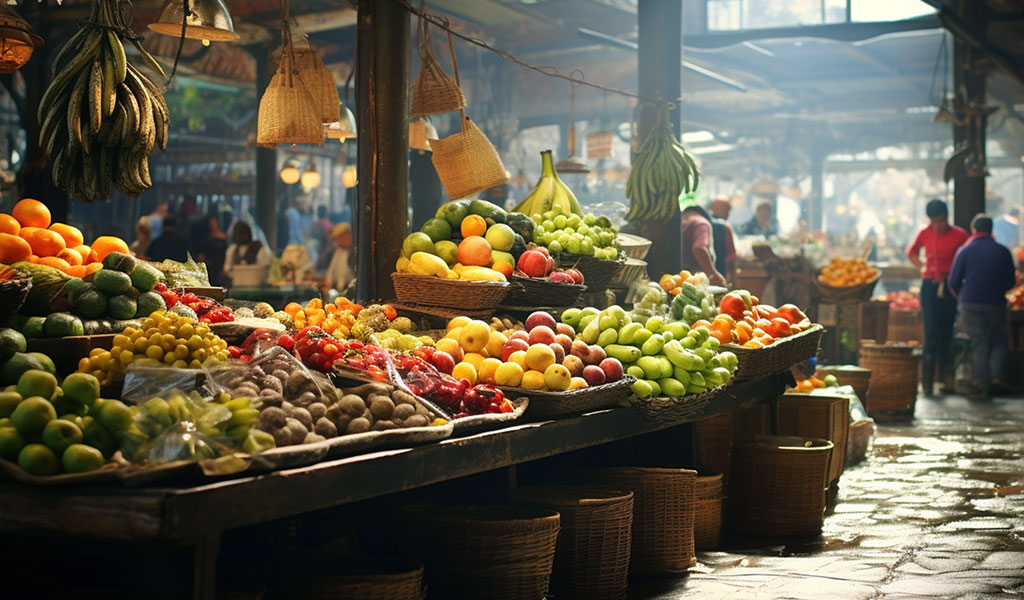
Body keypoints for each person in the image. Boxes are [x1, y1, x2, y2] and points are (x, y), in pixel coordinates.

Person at [906, 199, 970, 396]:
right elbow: (912, 252)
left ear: (947, 218)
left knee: (947, 330)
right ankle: (927, 383)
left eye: (941, 220)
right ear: (930, 220)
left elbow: (967, 259)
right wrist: (921, 266)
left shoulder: (960, 235)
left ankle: (946, 379)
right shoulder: (925, 233)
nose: (938, 225)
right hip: (930, 286)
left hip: (950, 286)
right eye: (934, 221)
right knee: (931, 332)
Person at [948, 214, 1016, 398]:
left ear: (974, 230)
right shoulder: (1002, 251)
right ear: (991, 229)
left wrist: (962, 298)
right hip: (995, 304)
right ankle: (996, 378)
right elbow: (1011, 281)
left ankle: (983, 385)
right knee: (999, 342)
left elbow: (953, 281)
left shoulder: (965, 250)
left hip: (970, 304)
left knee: (978, 344)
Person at [680, 205, 727, 287]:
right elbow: (699, 248)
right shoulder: (702, 223)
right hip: (696, 284)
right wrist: (713, 275)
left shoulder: (680, 222)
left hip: (676, 281)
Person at [709, 197, 737, 284]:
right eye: (727, 208)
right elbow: (731, 257)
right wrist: (732, 279)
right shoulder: (725, 227)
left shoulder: (702, 223)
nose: (729, 212)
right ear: (714, 208)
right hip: (720, 276)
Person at [198, 213, 229, 287]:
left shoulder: (223, 238)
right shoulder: (206, 240)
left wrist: (225, 268)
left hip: (221, 266)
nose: (213, 224)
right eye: (211, 223)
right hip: (210, 268)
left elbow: (227, 253)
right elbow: (201, 256)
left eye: (214, 222)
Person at [324, 223, 355, 293]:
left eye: (339, 238)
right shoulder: (339, 251)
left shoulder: (354, 252)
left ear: (347, 235)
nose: (337, 242)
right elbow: (330, 272)